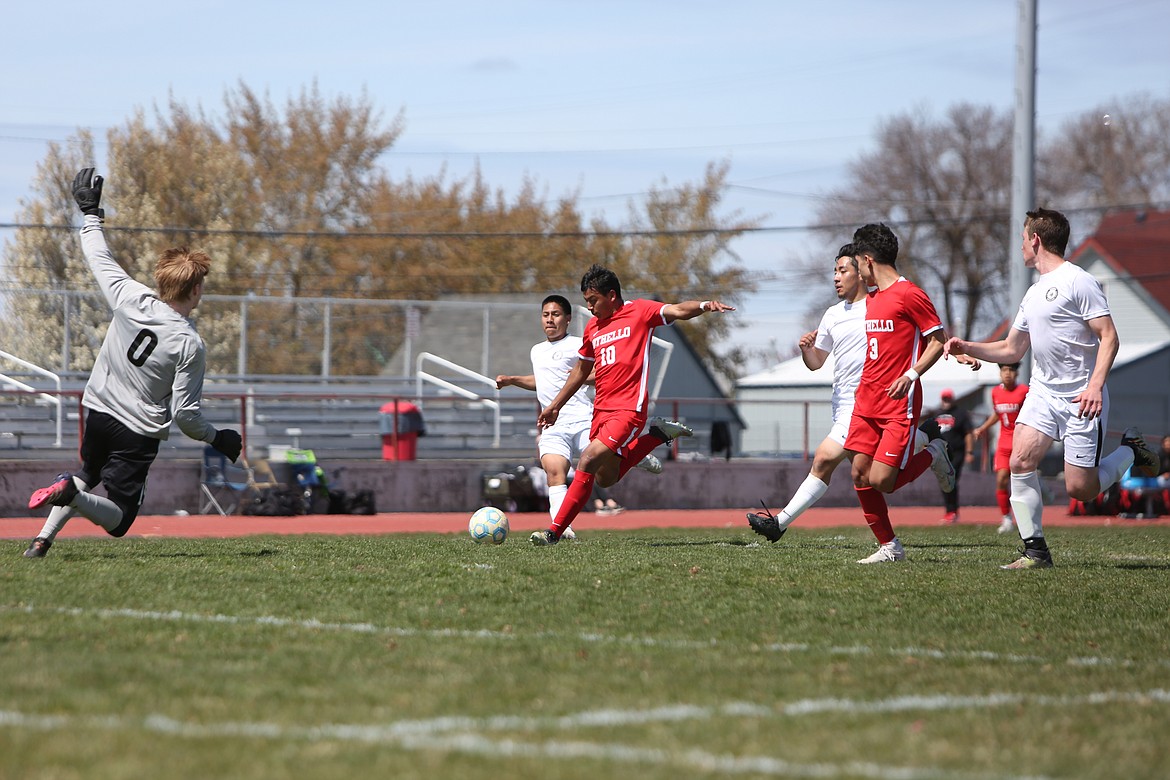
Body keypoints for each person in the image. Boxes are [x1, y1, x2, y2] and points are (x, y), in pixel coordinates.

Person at [23, 168, 242, 558]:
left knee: (87, 474)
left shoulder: (130, 297)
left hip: (98, 412)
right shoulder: (190, 343)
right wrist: (219, 438)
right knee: (121, 520)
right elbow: (185, 416)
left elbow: (97, 254)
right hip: (135, 431)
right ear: (194, 290)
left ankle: (41, 542)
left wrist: (90, 211)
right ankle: (69, 495)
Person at [944, 207, 1158, 569]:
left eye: (1023, 238)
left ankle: (1129, 451)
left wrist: (1094, 386)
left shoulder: (1080, 281)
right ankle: (1035, 551)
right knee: (1019, 460)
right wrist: (968, 346)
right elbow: (1012, 349)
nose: (1021, 246)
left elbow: (1110, 337)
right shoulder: (1033, 293)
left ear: (1036, 240)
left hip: (1081, 399)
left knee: (1081, 489)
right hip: (1043, 393)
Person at [528, 264, 734, 545]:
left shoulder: (640, 311)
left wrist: (703, 305)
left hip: (628, 409)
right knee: (605, 478)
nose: (589, 308)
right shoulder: (593, 328)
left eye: (593, 301)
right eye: (587, 302)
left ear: (611, 295)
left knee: (587, 459)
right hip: (601, 410)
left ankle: (554, 532)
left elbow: (675, 310)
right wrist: (555, 406)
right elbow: (579, 371)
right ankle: (657, 436)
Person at [842, 223, 980, 564]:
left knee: (882, 481)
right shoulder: (872, 298)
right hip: (866, 400)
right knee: (859, 473)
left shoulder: (909, 294)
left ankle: (932, 453)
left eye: (856, 264)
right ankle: (890, 548)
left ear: (867, 260)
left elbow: (934, 338)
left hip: (897, 403)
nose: (857, 272)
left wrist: (912, 373)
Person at [495, 294, 661, 540]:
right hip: (553, 424)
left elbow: (600, 370)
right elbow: (541, 382)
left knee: (606, 473)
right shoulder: (537, 351)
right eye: (545, 315)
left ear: (568, 319)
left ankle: (635, 453)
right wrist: (513, 380)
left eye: (556, 314)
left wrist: (574, 378)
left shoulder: (579, 343)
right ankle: (562, 530)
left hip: (584, 419)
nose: (550, 320)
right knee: (554, 471)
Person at [747, 243, 872, 542]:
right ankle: (929, 443)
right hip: (842, 406)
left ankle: (779, 524)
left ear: (862, 273)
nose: (836, 278)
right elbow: (816, 364)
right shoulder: (832, 315)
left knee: (825, 458)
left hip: (867, 403)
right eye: (834, 272)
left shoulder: (879, 307)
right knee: (874, 476)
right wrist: (806, 350)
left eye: (843, 271)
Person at [972, 363, 1030, 534]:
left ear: (1017, 373)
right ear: (1000, 373)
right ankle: (1006, 518)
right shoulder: (995, 392)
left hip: (1021, 441)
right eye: (1004, 370)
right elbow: (998, 413)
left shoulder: (1024, 392)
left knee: (1022, 482)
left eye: (1011, 370)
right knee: (1001, 479)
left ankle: (1029, 514)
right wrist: (983, 428)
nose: (1008, 374)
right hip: (1004, 443)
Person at [919, 388, 975, 524]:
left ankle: (952, 511)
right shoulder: (937, 413)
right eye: (944, 399)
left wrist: (969, 452)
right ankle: (950, 511)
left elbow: (968, 433)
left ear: (953, 399)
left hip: (957, 452)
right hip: (940, 452)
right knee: (944, 480)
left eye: (948, 399)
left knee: (951, 479)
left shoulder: (961, 414)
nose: (946, 402)